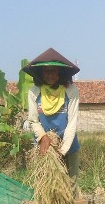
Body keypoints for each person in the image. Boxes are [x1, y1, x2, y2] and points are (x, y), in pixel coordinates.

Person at [23, 47, 81, 193]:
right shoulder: (34, 92)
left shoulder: (71, 91)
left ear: (59, 73)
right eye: (46, 71)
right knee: (46, 187)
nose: (50, 75)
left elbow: (72, 122)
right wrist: (43, 137)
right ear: (41, 74)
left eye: (53, 71)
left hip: (68, 144)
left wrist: (62, 151)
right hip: (44, 146)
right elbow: (33, 120)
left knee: (70, 186)